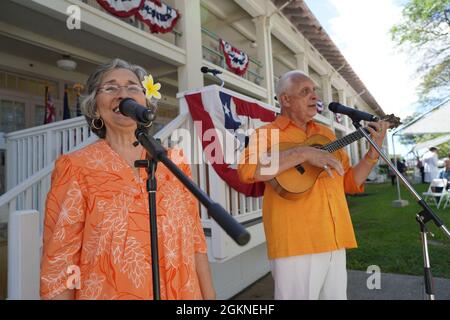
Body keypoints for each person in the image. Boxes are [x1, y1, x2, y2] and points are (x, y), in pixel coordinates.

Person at [40, 59, 215, 300]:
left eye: (132, 87)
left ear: (145, 102)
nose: (122, 94)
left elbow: (196, 244)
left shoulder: (175, 163)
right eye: (110, 87)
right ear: (94, 107)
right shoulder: (76, 168)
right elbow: (60, 262)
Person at [238, 70, 389, 300]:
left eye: (315, 91)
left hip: (335, 238)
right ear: (285, 100)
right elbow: (249, 171)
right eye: (305, 91)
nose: (314, 97)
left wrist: (372, 152)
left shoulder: (326, 134)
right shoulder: (266, 134)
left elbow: (349, 182)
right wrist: (303, 153)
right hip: (296, 243)